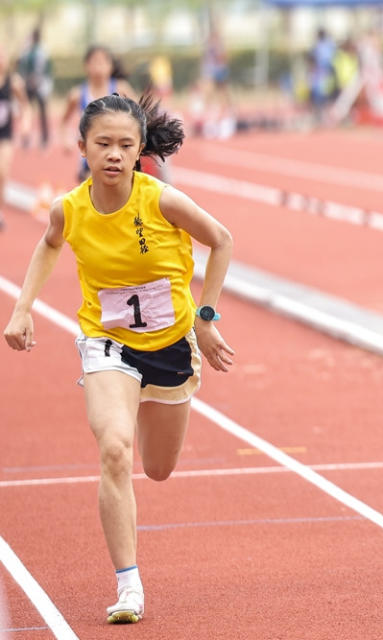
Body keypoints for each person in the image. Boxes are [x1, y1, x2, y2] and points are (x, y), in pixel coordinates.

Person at [3, 93, 235, 624]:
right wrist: (22, 310)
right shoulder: (71, 207)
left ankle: (163, 398)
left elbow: (221, 240)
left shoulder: (162, 200)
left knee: (156, 469)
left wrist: (206, 316)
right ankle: (128, 585)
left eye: (125, 145)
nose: (112, 154)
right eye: (102, 143)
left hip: (173, 343)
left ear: (139, 151)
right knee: (114, 448)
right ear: (81, 146)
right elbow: (49, 242)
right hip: (107, 343)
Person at [60, 45, 135, 183]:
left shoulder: (121, 89)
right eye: (94, 62)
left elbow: (139, 117)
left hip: (118, 152)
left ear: (110, 66)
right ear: (86, 66)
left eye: (102, 62)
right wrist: (66, 139)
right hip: (91, 154)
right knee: (94, 193)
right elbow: (64, 121)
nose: (98, 66)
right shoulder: (77, 94)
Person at [0, 48, 31, 232]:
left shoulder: (13, 82)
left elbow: (25, 106)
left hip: (5, 135)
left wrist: (26, 123)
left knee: (2, 171)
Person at [17, 27, 51, 149]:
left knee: (38, 112)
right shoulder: (31, 51)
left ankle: (44, 139)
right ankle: (29, 138)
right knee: (28, 111)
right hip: (32, 85)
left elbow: (44, 69)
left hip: (39, 85)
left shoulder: (40, 51)